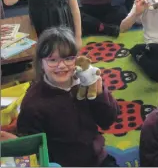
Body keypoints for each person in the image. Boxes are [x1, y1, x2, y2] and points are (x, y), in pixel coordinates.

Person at [17, 27, 119, 167]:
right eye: (52, 60)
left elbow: (108, 120)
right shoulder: (33, 103)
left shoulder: (87, 83)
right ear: (41, 63)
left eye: (68, 58)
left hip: (97, 157)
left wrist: (100, 91)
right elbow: (32, 147)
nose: (62, 66)